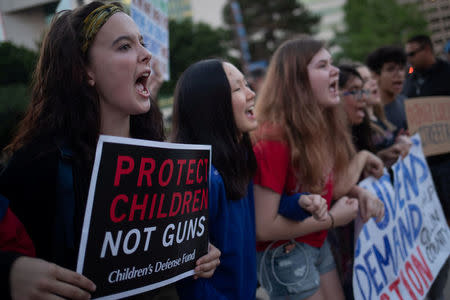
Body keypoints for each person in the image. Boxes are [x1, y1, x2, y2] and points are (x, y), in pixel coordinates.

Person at [0, 2, 220, 299]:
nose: (146, 54)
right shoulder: (36, 165)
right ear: (84, 70)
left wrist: (194, 250)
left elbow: (166, 253)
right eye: (124, 46)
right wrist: (9, 271)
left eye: (142, 42)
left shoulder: (165, 158)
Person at [171, 59, 327, 300]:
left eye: (247, 84)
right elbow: (191, 274)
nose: (252, 93)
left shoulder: (241, 156)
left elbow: (251, 210)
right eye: (237, 88)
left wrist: (299, 204)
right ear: (212, 104)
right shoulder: (201, 178)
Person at [251, 37, 384, 300]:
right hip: (285, 254)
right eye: (323, 65)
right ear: (297, 81)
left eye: (331, 63)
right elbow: (264, 227)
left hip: (315, 241)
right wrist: (333, 219)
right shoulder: (273, 138)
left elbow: (325, 188)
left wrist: (360, 193)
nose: (335, 71)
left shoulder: (317, 127)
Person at [403, 34, 450, 300]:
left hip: (446, 158)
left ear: (428, 49)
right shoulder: (411, 74)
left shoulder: (446, 73)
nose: (408, 59)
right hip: (424, 162)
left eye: (413, 53)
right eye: (407, 54)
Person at [339, 64, 411, 167]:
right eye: (365, 80)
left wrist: (384, 155)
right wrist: (364, 157)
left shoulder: (378, 119)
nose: (374, 82)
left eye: (372, 78)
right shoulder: (339, 136)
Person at [366, 46, 408, 131]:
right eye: (390, 69)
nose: (398, 74)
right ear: (375, 75)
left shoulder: (408, 104)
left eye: (401, 68)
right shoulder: (369, 113)